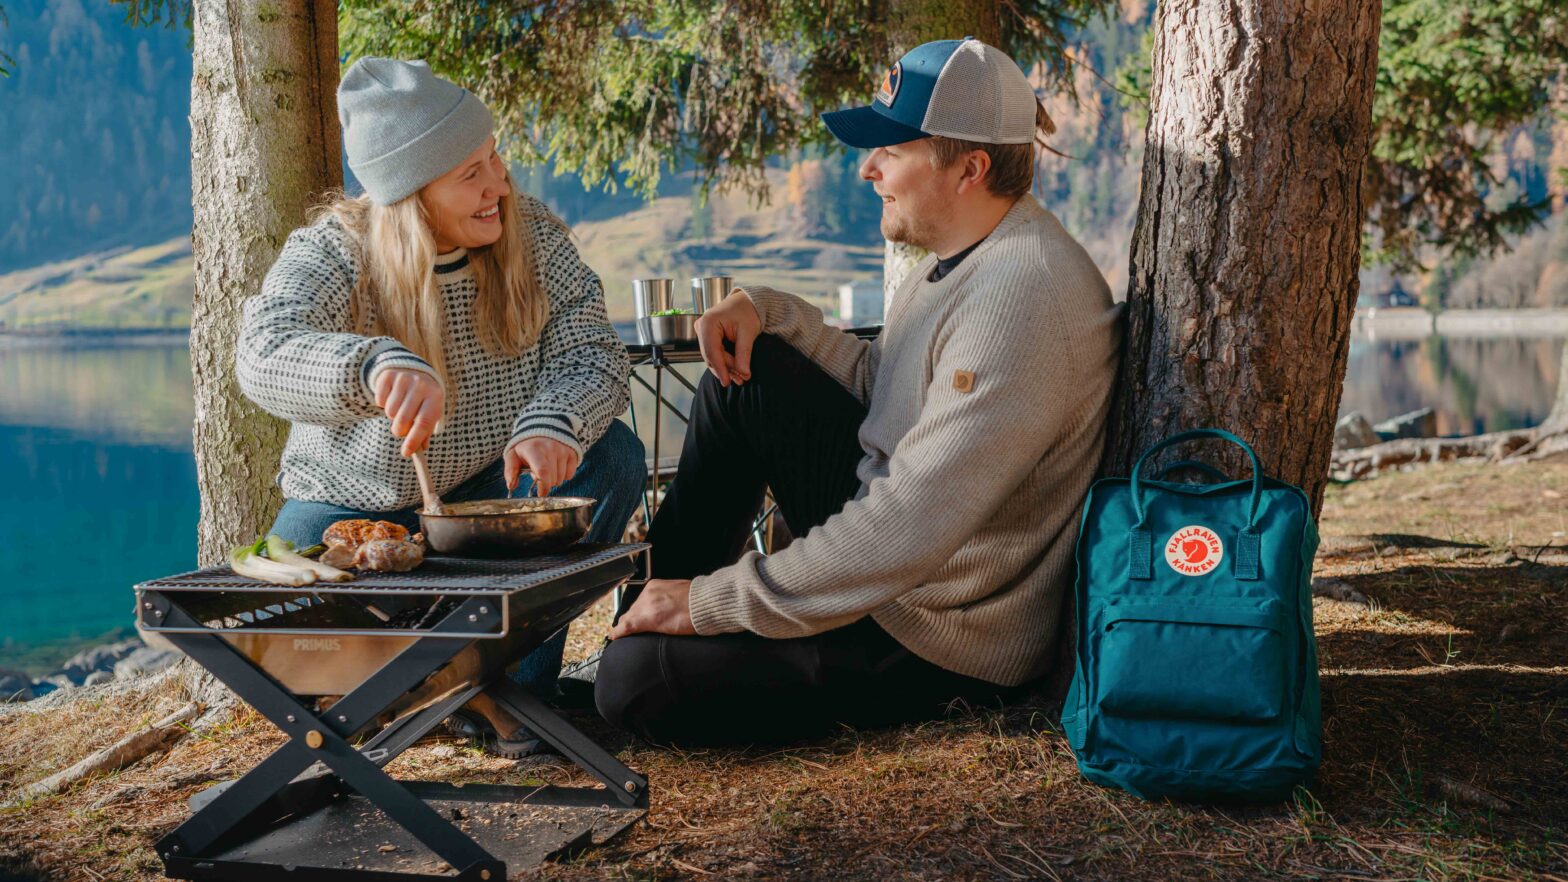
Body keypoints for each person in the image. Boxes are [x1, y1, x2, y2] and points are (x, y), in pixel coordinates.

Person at [594, 38, 1123, 746]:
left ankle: (649, 636)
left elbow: (907, 528)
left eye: (891, 151)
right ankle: (642, 616)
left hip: (939, 628)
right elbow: (888, 386)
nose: (868, 168)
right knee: (743, 379)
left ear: (969, 169)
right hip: (905, 562)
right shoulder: (958, 261)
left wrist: (710, 603)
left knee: (633, 685)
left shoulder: (1021, 296)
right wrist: (768, 312)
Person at [236, 57, 645, 757]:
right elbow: (262, 352)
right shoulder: (334, 252)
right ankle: (460, 690)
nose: (498, 185)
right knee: (296, 647)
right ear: (410, 191)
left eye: (493, 158)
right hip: (353, 511)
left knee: (611, 457)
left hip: (493, 496)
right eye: (470, 174)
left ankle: (511, 689)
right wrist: (369, 365)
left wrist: (557, 423)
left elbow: (593, 351)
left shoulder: (533, 234)